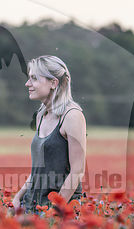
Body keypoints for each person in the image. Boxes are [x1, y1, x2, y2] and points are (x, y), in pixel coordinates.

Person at [12, 55, 87, 215]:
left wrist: (55, 211)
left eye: (34, 78)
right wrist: (18, 197)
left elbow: (77, 171)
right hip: (32, 204)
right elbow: (37, 170)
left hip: (59, 207)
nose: (28, 84)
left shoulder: (72, 116)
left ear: (53, 83)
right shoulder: (41, 115)